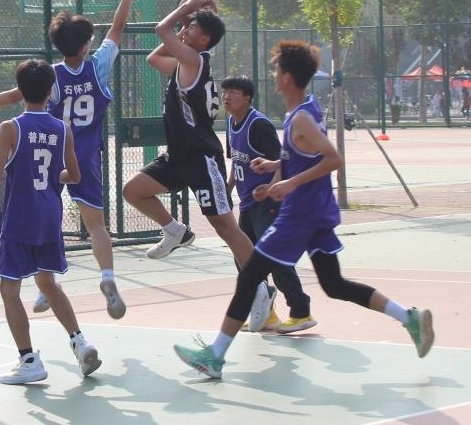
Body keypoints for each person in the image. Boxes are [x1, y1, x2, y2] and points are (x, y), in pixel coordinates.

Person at [173, 40, 434, 379]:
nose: (273, 75)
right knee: (334, 284)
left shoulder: (300, 119)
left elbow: (333, 158)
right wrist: (275, 167)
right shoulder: (308, 108)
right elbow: (304, 155)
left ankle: (215, 356)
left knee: (250, 276)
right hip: (317, 211)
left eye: (276, 70)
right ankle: (409, 317)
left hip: (299, 215)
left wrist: (289, 184)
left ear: (287, 77)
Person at [0, 0, 148, 320]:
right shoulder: (99, 66)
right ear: (86, 45)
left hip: (51, 151)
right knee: (95, 224)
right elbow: (118, 27)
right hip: (85, 156)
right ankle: (107, 277)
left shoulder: (51, 75)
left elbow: (14, 95)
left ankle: (46, 285)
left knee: (49, 218)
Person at [120, 0, 275, 329]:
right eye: (186, 27)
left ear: (203, 40)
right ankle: (175, 231)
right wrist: (187, 22)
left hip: (202, 158)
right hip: (179, 156)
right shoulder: (185, 63)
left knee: (226, 227)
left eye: (192, 28)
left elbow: (160, 30)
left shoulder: (195, 61)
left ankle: (260, 287)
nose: (185, 29)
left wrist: (185, 9)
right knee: (133, 190)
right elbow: (154, 58)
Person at [0, 58, 102, 385]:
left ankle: (29, 360)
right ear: (50, 91)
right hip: (49, 217)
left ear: (20, 91)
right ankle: (80, 342)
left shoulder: (10, 128)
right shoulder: (63, 128)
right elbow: (74, 175)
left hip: (20, 219)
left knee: (9, 289)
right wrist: (51, 177)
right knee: (47, 283)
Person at [221, 74, 316, 334]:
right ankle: (268, 313)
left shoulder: (258, 125)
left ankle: (301, 311)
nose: (226, 96)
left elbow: (283, 160)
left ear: (247, 97)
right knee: (244, 259)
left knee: (274, 257)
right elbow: (237, 161)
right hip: (247, 204)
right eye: (224, 91)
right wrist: (228, 189)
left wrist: (273, 188)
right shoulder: (231, 122)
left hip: (267, 204)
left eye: (233, 92)